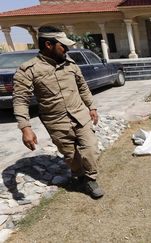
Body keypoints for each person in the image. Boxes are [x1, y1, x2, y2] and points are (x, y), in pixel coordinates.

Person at [13, 26, 104, 199]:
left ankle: (90, 179)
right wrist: (25, 128)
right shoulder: (28, 70)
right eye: (63, 46)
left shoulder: (70, 64)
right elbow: (20, 100)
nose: (67, 50)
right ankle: (79, 175)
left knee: (90, 148)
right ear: (48, 44)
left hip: (80, 116)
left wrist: (92, 107)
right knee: (71, 156)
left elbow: (83, 87)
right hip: (56, 122)